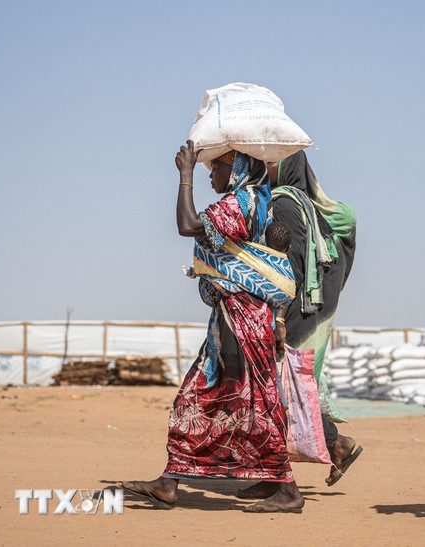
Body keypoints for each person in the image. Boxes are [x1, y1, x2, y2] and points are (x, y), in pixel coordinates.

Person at [121, 141, 304, 513]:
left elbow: (188, 225)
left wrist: (185, 175)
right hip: (235, 318)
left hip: (244, 321)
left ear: (234, 168)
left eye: (214, 170)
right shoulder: (254, 202)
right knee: (214, 398)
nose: (211, 178)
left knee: (246, 401)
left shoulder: (242, 203)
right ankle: (170, 481)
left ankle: (286, 489)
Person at [234, 150, 361, 499]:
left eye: (271, 162)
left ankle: (334, 447)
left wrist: (278, 317)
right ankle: (279, 471)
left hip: (293, 316)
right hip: (306, 312)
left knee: (281, 394)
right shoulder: (306, 205)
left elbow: (288, 267)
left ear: (289, 166)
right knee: (283, 392)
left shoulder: (286, 205)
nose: (262, 168)